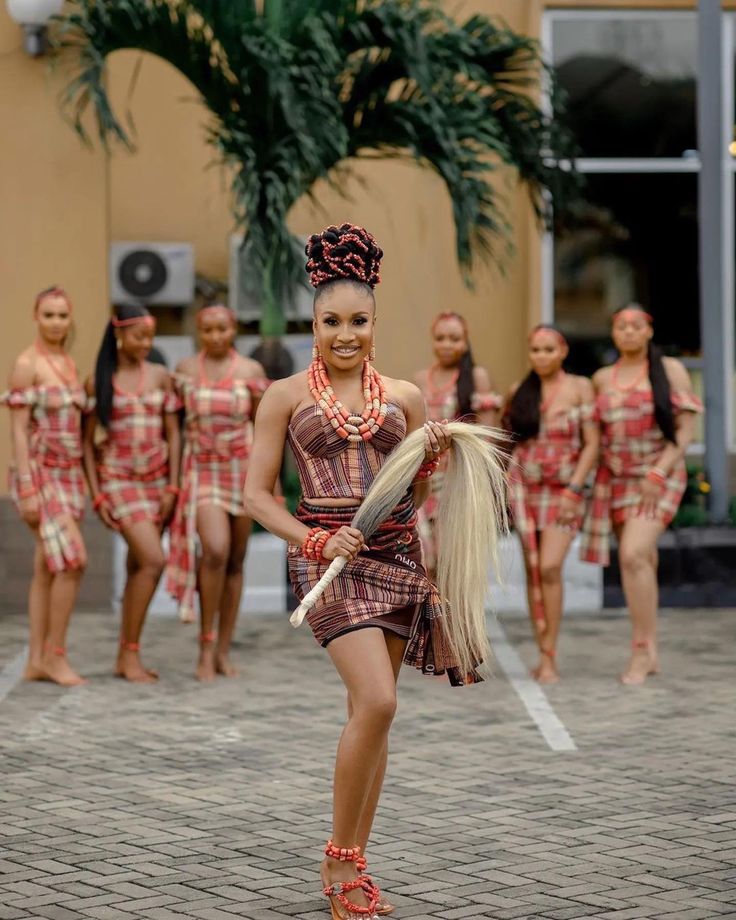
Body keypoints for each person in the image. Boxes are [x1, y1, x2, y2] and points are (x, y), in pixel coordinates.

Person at [245, 223, 506, 920]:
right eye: (332, 321)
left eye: (358, 320)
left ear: (374, 320)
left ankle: (356, 861)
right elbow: (256, 497)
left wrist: (434, 463)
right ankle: (337, 858)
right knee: (380, 702)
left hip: (393, 561)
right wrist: (314, 542)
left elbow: (418, 487)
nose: (345, 334)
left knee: (371, 714)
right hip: (326, 568)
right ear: (315, 321)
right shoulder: (283, 396)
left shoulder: (407, 397)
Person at [582, 304, 703, 685]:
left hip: (658, 475)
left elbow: (684, 432)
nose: (629, 332)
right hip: (616, 479)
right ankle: (650, 648)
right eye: (622, 326)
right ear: (614, 333)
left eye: (637, 326)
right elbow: (595, 437)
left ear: (649, 331)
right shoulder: (603, 378)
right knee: (640, 561)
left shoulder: (670, 371)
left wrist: (658, 471)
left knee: (633, 553)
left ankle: (640, 649)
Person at [166, 303, 268, 679]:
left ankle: (224, 648)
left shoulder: (250, 371)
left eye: (222, 329)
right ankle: (205, 646)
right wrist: (173, 479)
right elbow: (172, 426)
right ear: (198, 331)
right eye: (208, 330)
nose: (215, 337)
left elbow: (265, 429)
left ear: (233, 328)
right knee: (215, 550)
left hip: (242, 470)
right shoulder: (186, 371)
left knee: (236, 560)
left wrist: (268, 483)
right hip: (203, 470)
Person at [82, 304, 181, 683]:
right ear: (119, 334)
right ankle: (131, 654)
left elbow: (173, 433)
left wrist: (173, 484)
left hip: (157, 482)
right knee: (153, 560)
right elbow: (86, 446)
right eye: (140, 336)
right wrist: (98, 496)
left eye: (150, 337)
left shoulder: (159, 376)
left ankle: (126, 654)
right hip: (119, 483)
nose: (147, 344)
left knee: (139, 566)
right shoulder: (98, 382)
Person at [504, 324, 599, 683]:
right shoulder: (520, 391)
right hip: (526, 489)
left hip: (564, 490)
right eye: (535, 350)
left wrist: (576, 489)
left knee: (549, 567)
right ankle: (543, 653)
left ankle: (551, 652)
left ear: (562, 351)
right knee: (532, 569)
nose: (541, 356)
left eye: (549, 349)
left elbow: (592, 444)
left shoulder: (580, 388)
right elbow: (510, 443)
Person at [2, 287, 87, 686]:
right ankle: (55, 655)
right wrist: (26, 485)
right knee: (73, 561)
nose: (56, 322)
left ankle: (37, 658)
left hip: (69, 475)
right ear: (35, 316)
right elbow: (17, 431)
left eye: (62, 315)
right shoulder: (26, 364)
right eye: (48, 315)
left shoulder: (67, 362)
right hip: (40, 475)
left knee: (47, 567)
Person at [415, 311, 502, 576]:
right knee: (424, 558)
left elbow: (487, 437)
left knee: (450, 560)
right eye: (440, 338)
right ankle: (432, 618)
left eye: (454, 338)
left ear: (465, 342)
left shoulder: (476, 376)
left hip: (458, 478)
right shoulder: (420, 379)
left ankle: (453, 618)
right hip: (424, 478)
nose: (446, 344)